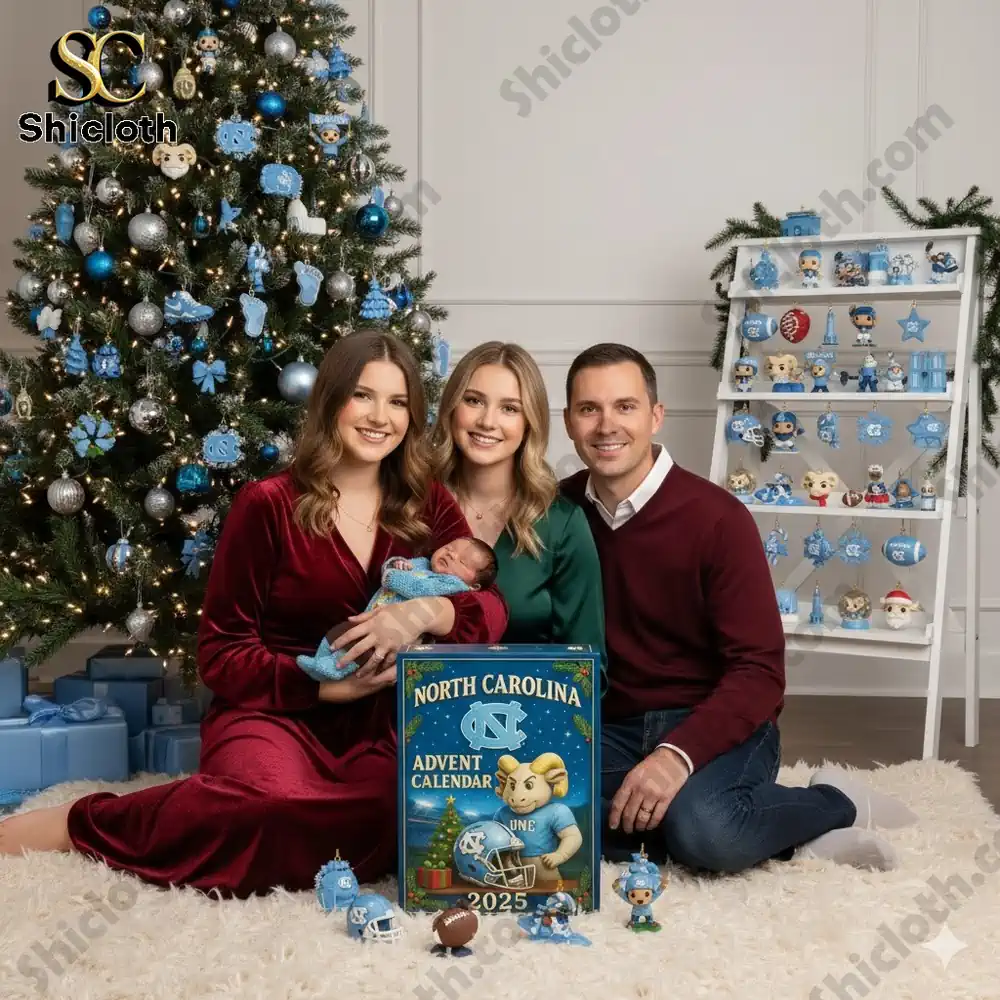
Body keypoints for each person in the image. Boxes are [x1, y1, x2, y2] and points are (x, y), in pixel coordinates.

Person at [0, 332, 508, 897]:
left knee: (407, 816)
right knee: (270, 806)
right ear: (331, 401)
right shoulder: (268, 503)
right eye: (363, 396)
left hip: (381, 729)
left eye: (397, 402)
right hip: (272, 715)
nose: (380, 417)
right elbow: (220, 654)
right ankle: (85, 822)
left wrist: (425, 612)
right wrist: (318, 690)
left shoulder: (427, 502)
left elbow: (489, 609)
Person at [559, 343, 918, 875]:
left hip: (715, 719)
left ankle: (831, 804)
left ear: (656, 415)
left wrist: (674, 757)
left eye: (625, 406)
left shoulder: (717, 519)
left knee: (705, 832)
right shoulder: (556, 512)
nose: (607, 424)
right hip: (608, 726)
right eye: (589, 409)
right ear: (568, 422)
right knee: (542, 818)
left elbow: (759, 672)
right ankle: (770, 833)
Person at [429, 341, 605, 662]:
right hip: (407, 705)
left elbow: (587, 664)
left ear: (529, 424)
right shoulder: (414, 504)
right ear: (451, 408)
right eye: (473, 400)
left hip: (530, 708)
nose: (487, 421)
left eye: (509, 408)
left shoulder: (562, 523)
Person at [296, 537, 498, 680]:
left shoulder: (453, 585)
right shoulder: (422, 564)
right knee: (338, 634)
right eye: (449, 547)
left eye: (462, 560)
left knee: (360, 652)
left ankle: (331, 670)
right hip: (370, 615)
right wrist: (396, 564)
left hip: (393, 637)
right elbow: (393, 565)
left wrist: (393, 577)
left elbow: (420, 589)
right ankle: (318, 660)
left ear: (474, 586)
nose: (451, 554)